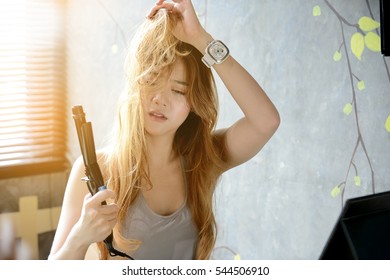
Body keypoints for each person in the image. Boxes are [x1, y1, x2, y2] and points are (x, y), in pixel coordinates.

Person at [48, 0, 280, 260]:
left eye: (179, 90)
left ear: (194, 102)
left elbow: (266, 121)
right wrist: (79, 237)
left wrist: (202, 40)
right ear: (136, 84)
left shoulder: (204, 162)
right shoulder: (96, 168)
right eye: (152, 80)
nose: (161, 99)